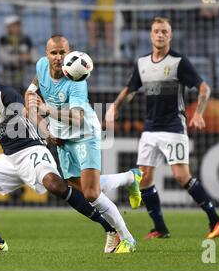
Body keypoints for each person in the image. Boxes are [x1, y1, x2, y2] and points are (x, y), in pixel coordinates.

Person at [0, 61, 129, 254]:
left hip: (33, 150)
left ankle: (110, 229)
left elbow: (29, 112)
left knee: (56, 185)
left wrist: (46, 132)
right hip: (9, 161)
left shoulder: (5, 94)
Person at [105, 17, 219, 240]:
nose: (160, 35)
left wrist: (198, 112)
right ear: (151, 35)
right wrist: (114, 107)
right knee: (144, 178)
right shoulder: (142, 63)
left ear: (170, 36)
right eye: (156, 31)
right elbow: (130, 89)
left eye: (164, 31)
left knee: (181, 176)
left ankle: (215, 218)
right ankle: (160, 227)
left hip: (173, 127)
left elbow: (204, 88)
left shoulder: (179, 62)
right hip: (150, 128)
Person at [25, 35, 142, 254]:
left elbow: (78, 118)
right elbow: (30, 94)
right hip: (61, 136)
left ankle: (127, 238)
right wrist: (44, 129)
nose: (58, 57)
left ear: (69, 54)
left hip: (84, 133)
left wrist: (47, 111)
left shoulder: (77, 82)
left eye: (63, 52)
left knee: (91, 194)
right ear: (46, 54)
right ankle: (129, 177)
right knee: (76, 183)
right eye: (54, 53)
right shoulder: (40, 67)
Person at [0, 14, 39, 90]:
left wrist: (30, 57)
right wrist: (19, 58)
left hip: (25, 80)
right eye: (14, 25)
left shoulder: (26, 39)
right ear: (8, 27)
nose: (17, 27)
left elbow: (36, 57)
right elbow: (3, 58)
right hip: (8, 80)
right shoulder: (3, 40)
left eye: (17, 25)